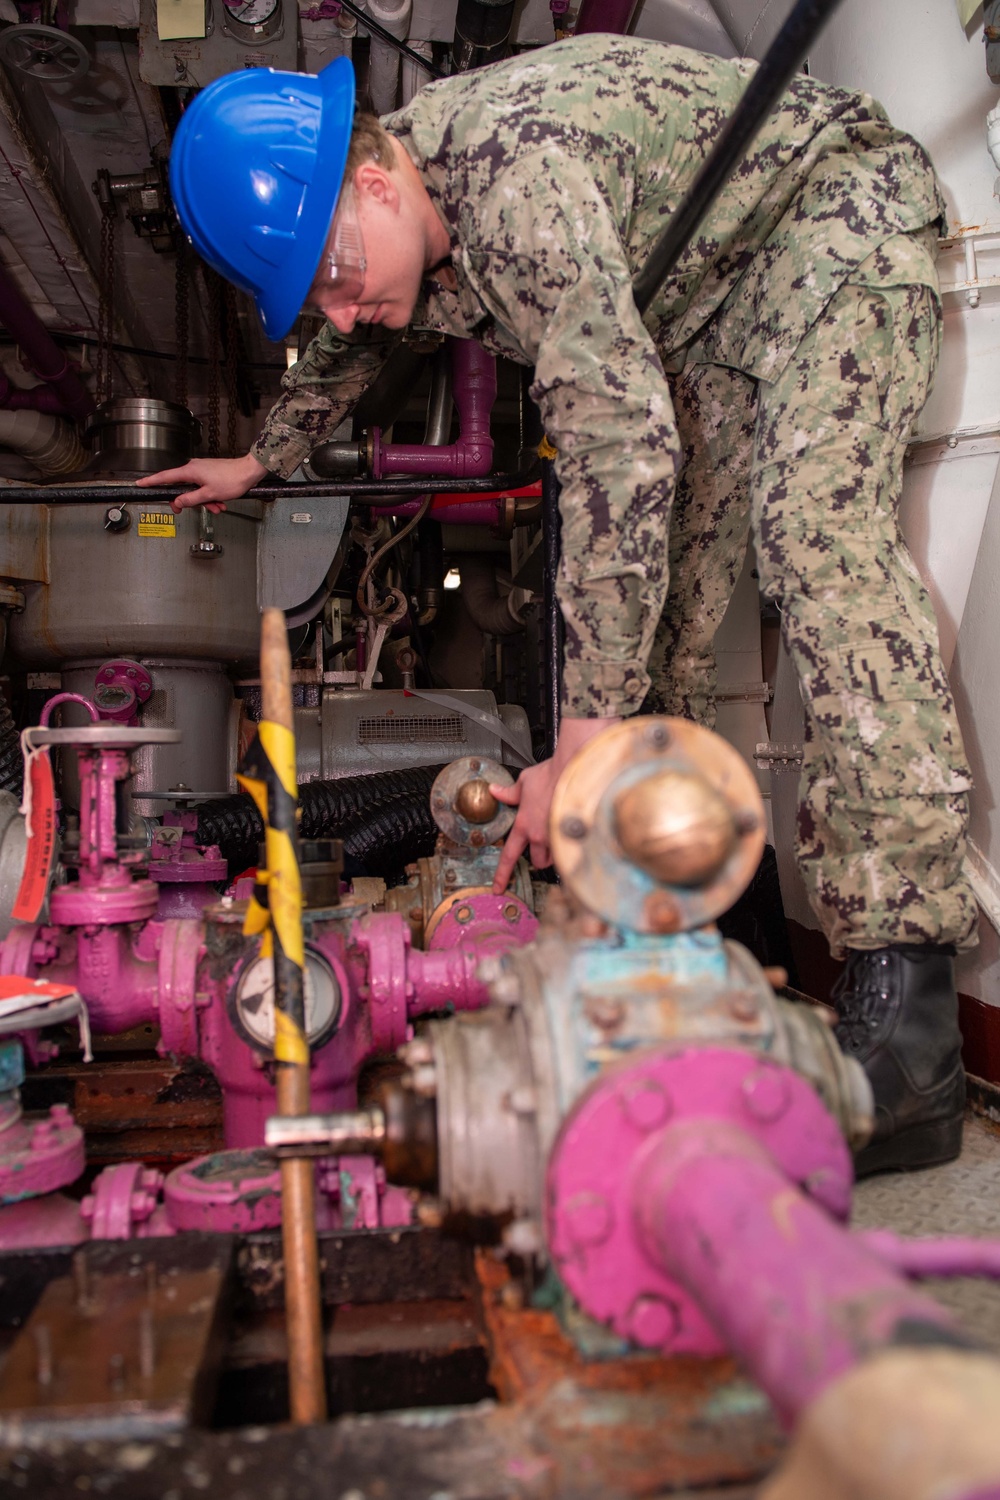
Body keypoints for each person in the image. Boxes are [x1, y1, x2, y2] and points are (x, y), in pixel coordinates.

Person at [141, 35, 977, 1175]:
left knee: (812, 539)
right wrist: (260, 462)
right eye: (312, 297)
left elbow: (622, 450)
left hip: (829, 224)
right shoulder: (405, 239)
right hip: (711, 314)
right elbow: (339, 362)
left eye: (332, 276)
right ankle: (728, 972)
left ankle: (911, 1023)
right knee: (669, 658)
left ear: (375, 180)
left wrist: (578, 742)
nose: (338, 314)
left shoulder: (513, 175)